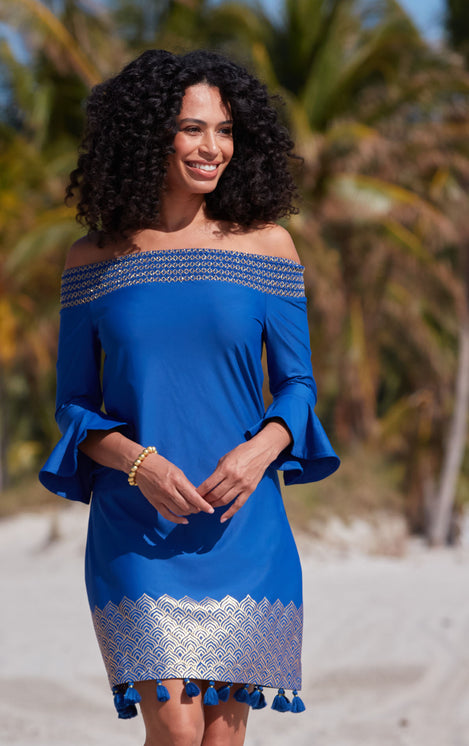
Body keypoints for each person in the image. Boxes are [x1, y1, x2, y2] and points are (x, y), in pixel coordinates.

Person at [39, 48, 340, 746]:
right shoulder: (95, 260)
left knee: (219, 740)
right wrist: (139, 465)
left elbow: (296, 384)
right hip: (135, 526)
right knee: (174, 733)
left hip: (244, 524)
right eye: (192, 128)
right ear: (150, 135)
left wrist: (259, 451)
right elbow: (72, 406)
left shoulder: (269, 248)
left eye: (225, 130)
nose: (212, 147)